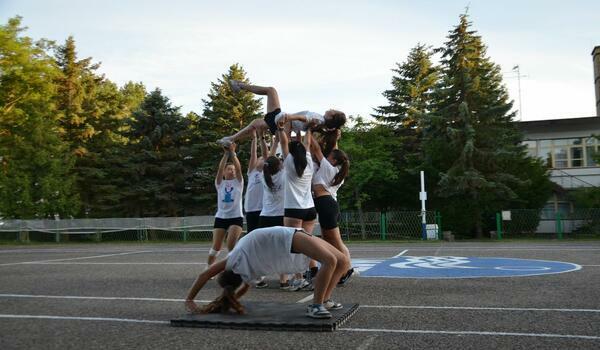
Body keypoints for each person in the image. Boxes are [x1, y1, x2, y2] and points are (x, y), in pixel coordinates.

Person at [185, 226, 350, 319]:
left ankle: (323, 300)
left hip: (287, 236)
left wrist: (190, 299)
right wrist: (192, 299)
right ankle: (316, 305)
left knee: (341, 261)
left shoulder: (235, 261)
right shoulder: (244, 270)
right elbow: (240, 287)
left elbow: (204, 275)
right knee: (332, 261)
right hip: (288, 236)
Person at [217, 80, 346, 148]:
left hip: (283, 120)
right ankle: (230, 139)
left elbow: (305, 118)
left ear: (331, 117)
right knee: (257, 123)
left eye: (333, 111)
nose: (330, 108)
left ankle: (239, 85)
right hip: (284, 125)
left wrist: (290, 116)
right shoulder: (321, 125)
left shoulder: (319, 119)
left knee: (271, 91)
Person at [308, 133, 357, 285]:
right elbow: (335, 152)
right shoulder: (335, 169)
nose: (326, 156)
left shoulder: (329, 167)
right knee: (329, 240)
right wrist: (335, 138)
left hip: (326, 204)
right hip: (325, 204)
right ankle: (340, 267)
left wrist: (309, 131)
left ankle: (347, 268)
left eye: (329, 155)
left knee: (336, 241)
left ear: (333, 160)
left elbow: (316, 148)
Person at [278, 124, 317, 291]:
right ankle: (308, 274)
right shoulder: (308, 162)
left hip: (294, 210)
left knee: (294, 247)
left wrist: (281, 130)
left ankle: (299, 278)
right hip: (310, 209)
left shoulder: (289, 163)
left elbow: (284, 144)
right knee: (307, 245)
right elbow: (306, 144)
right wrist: (306, 129)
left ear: (291, 153)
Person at [207, 143, 244, 268]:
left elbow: (239, 169)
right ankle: (209, 267)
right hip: (221, 217)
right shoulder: (220, 183)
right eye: (229, 169)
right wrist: (225, 154)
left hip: (236, 217)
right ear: (224, 172)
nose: (232, 171)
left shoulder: (239, 183)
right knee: (215, 248)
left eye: (233, 169)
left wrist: (233, 153)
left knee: (231, 245)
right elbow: (219, 169)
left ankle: (232, 267)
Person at [244, 130, 269, 288]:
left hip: (262, 211)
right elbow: (254, 155)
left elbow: (266, 154)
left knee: (261, 242)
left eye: (262, 159)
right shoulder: (252, 172)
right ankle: (252, 271)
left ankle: (260, 273)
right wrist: (253, 139)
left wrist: (262, 139)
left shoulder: (266, 173)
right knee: (252, 242)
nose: (259, 159)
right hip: (251, 211)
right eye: (258, 159)